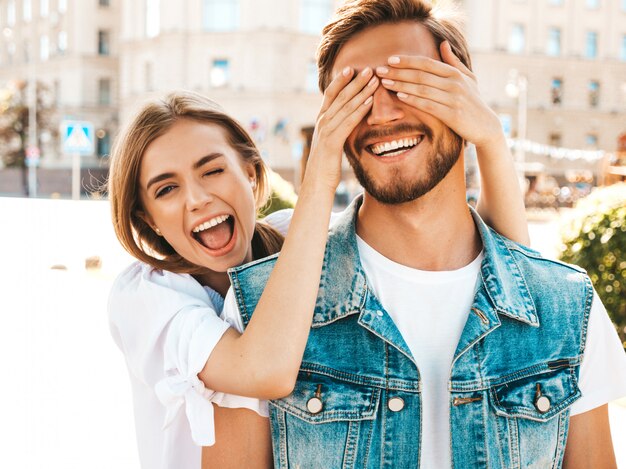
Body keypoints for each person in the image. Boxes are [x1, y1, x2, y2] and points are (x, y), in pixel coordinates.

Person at [213, 0, 626, 468]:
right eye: (356, 93)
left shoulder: (567, 306)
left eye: (409, 84)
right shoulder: (259, 309)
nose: (382, 113)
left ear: (463, 99)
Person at [108, 46, 529, 469]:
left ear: (251, 172)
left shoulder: (297, 237)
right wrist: (324, 159)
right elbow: (263, 371)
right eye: (167, 189)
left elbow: (513, 270)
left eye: (212, 170)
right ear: (149, 220)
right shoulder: (146, 296)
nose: (197, 199)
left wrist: (489, 137)